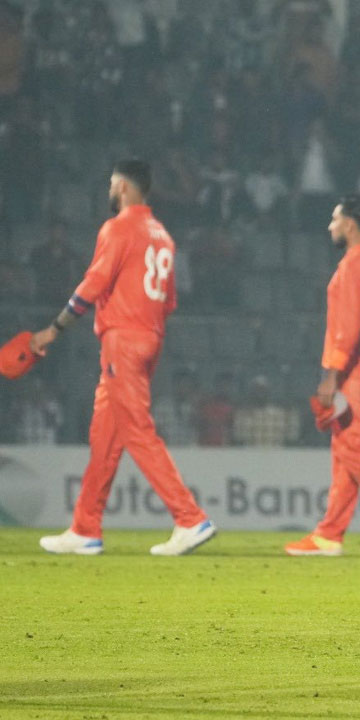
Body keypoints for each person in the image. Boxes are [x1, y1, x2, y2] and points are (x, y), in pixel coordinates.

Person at [31, 159, 217, 556]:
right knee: (105, 437)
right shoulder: (163, 236)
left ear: (124, 188)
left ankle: (189, 518)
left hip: (123, 340)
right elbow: (170, 300)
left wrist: (55, 328)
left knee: (136, 430)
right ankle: (85, 528)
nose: (109, 190)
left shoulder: (118, 228)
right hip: (150, 337)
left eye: (113, 184)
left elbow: (94, 282)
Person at [285, 194, 360, 556]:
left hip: (354, 369)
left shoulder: (354, 264)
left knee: (352, 449)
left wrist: (332, 375)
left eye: (335, 220)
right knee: (344, 449)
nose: (330, 226)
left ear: (350, 225)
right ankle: (329, 534)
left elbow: (348, 330)